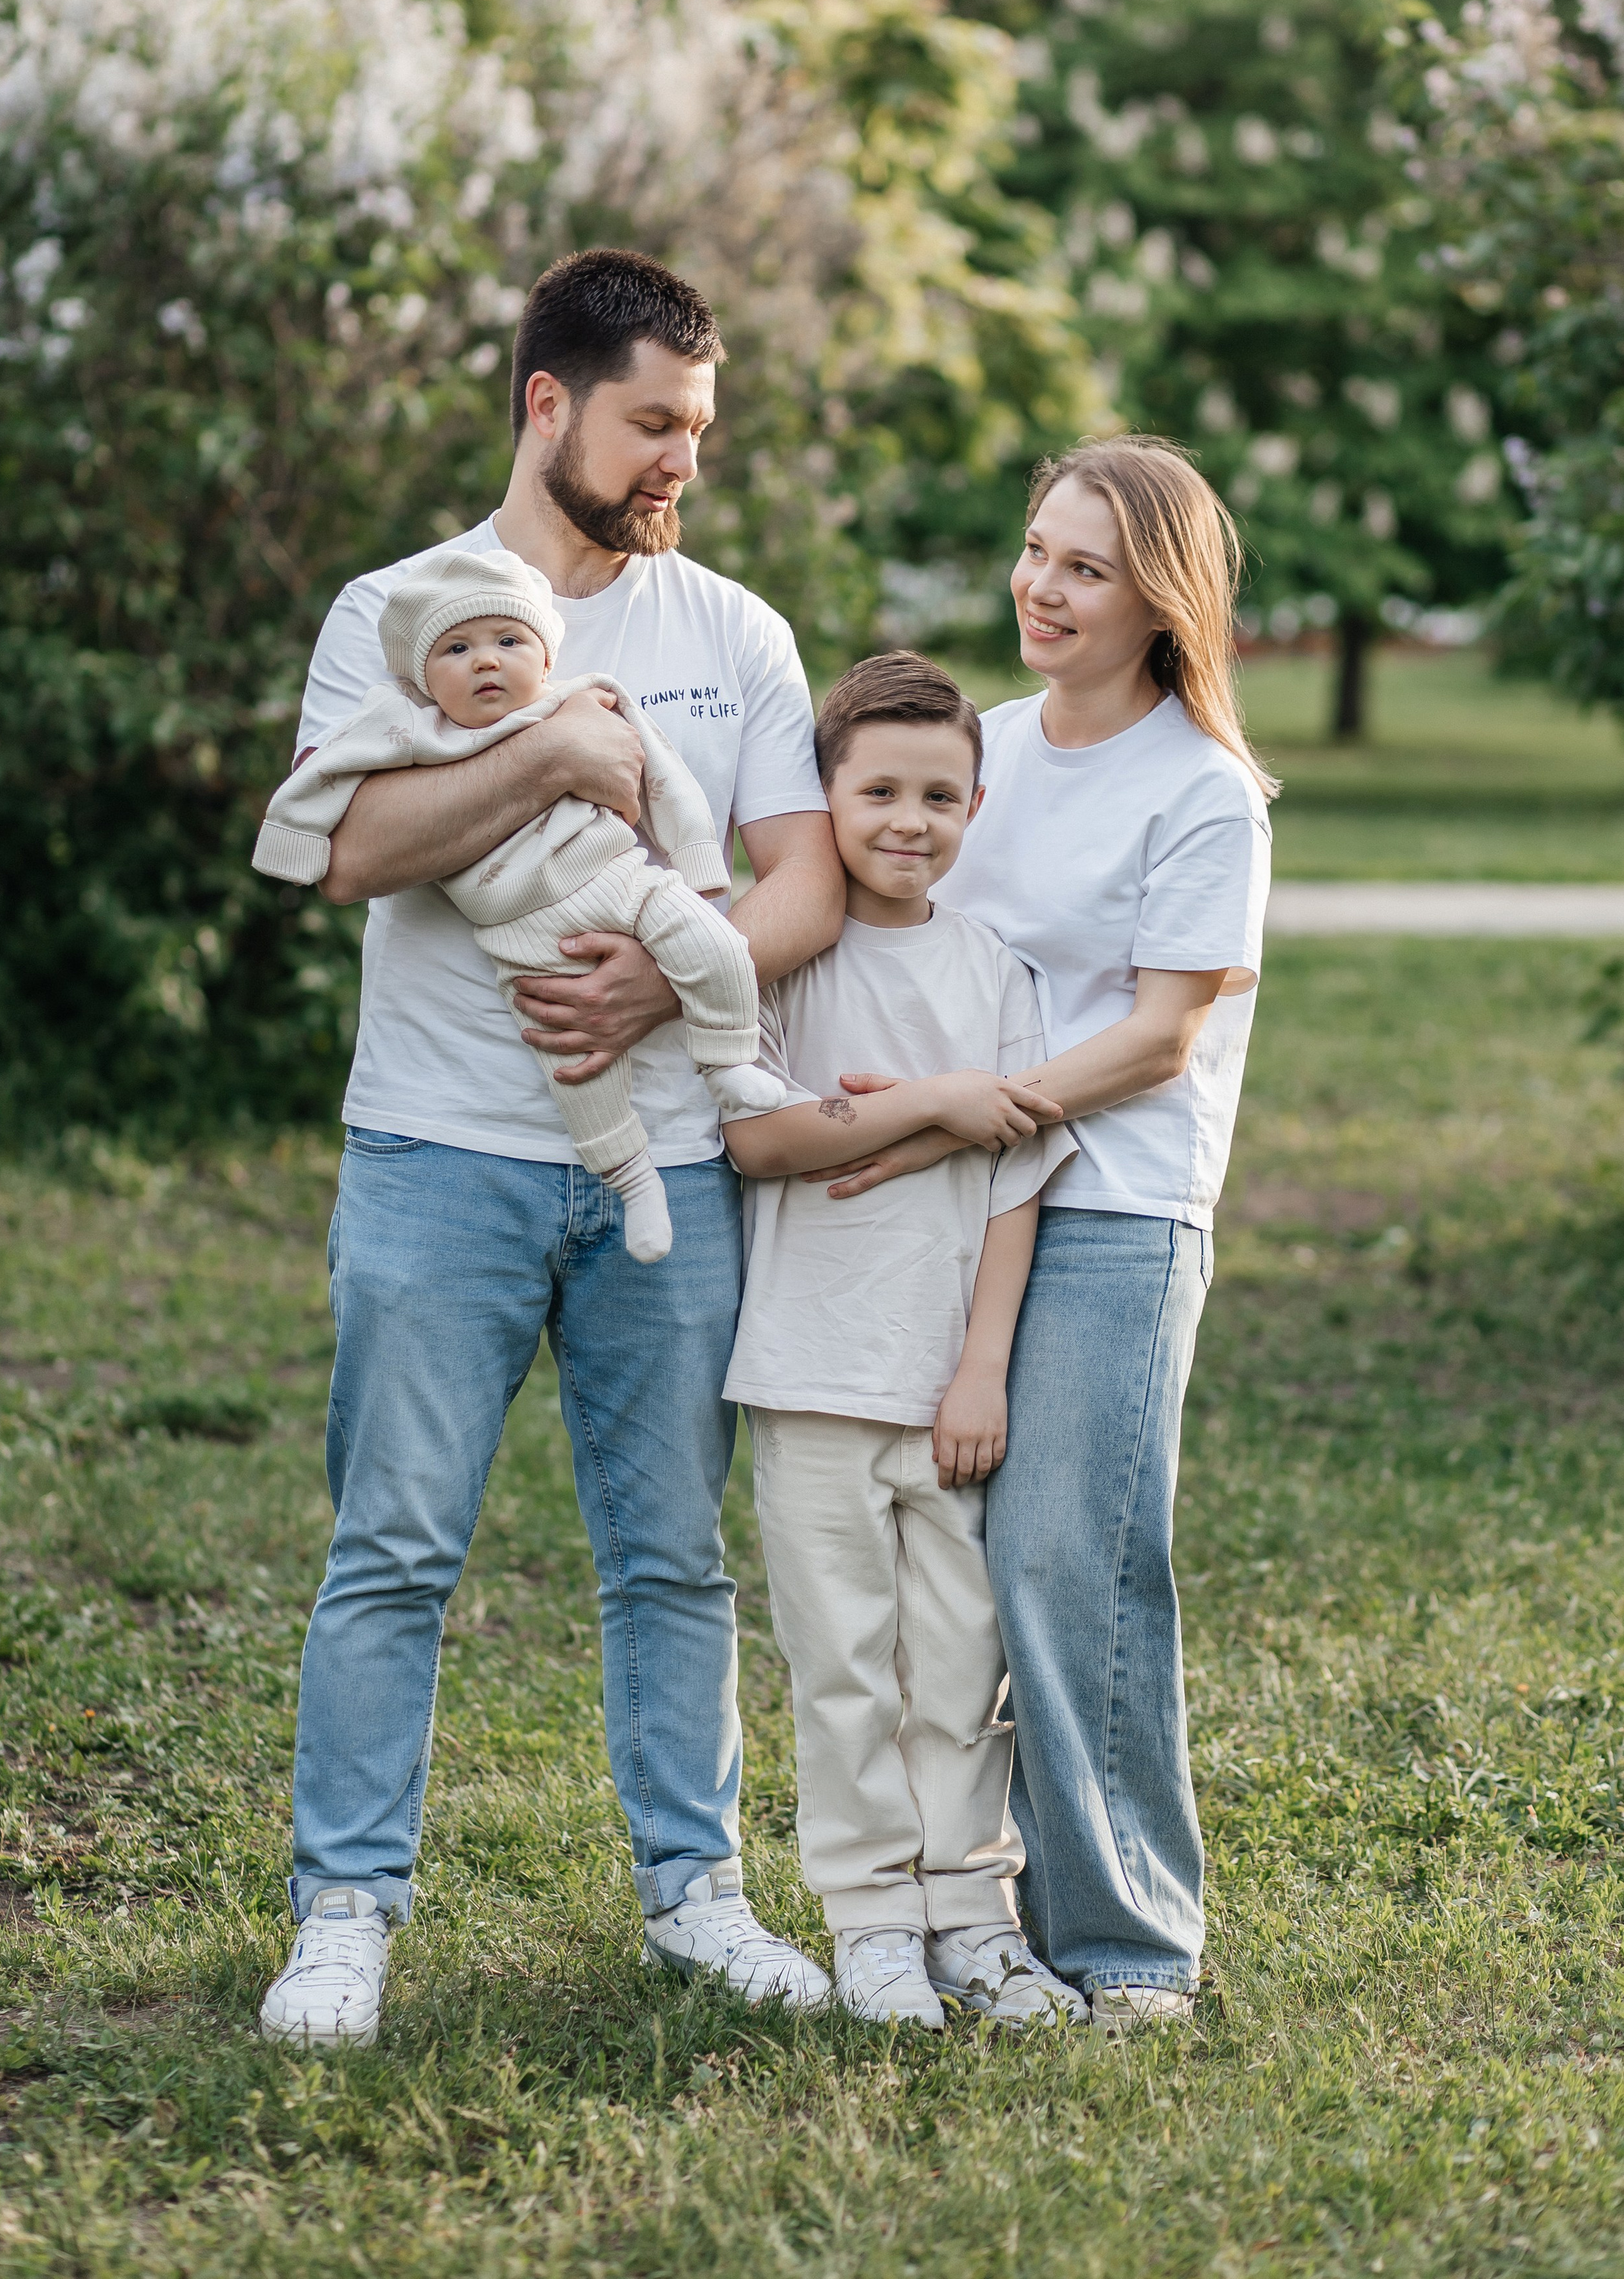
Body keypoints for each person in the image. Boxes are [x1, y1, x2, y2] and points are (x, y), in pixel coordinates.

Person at [258, 250, 845, 2050]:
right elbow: (345, 850)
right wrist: (555, 751)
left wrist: (675, 995)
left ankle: (700, 1897)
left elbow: (806, 878)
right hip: (441, 1156)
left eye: (701, 428)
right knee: (396, 1548)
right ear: (547, 406)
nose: (684, 460)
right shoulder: (400, 611)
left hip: (664, 1160)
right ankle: (344, 1916)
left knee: (674, 1556)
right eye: (655, 424)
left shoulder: (732, 630)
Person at [808, 438, 1275, 2037]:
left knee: (1068, 1567)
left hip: (1113, 1209)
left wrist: (946, 1105)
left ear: (1158, 597)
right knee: (945, 1583)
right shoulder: (978, 752)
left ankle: (1130, 1943)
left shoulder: (1201, 790)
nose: (1040, 583)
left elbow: (1152, 1040)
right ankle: (963, 1910)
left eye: (1082, 563)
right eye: (1033, 548)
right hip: (943, 1213)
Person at [720, 652, 1081, 2032]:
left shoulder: (993, 969)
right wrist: (936, 1096)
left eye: (938, 794)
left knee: (957, 1662)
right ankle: (869, 1920)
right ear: (825, 799)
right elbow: (757, 1140)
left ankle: (967, 1919)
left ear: (974, 806)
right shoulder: (786, 966)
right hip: (806, 1378)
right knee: (841, 1666)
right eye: (876, 791)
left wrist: (982, 1365)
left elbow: (1013, 1183)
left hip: (944, 1389)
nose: (906, 820)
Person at [252, 542, 784, 1262]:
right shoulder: (412, 729)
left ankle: (727, 1066)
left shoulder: (587, 691)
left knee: (715, 943)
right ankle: (632, 1183)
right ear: (419, 677)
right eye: (457, 648)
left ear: (543, 653)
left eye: (508, 641)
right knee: (581, 1079)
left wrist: (692, 863)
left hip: (624, 881)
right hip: (520, 946)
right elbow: (333, 786)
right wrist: (291, 842)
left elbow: (663, 776)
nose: (486, 661)